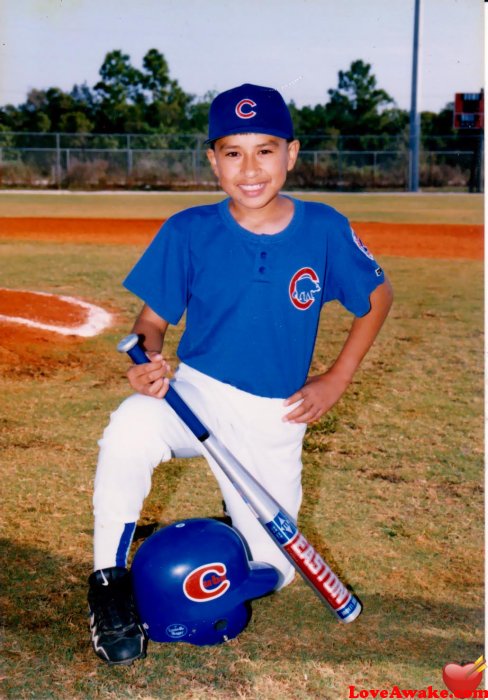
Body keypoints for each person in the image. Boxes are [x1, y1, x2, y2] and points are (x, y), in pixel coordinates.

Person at [87, 83, 394, 665]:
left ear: (292, 154)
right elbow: (150, 320)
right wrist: (149, 360)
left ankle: (215, 533)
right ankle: (108, 583)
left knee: (270, 574)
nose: (250, 169)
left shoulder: (324, 227)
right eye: (233, 152)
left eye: (265, 150)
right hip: (196, 392)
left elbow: (377, 297)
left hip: (273, 415)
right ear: (213, 159)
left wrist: (336, 378)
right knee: (129, 428)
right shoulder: (188, 229)